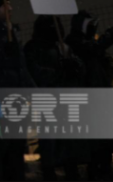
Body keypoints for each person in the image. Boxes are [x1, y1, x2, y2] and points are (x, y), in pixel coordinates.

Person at [24, 15, 87, 181]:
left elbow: (79, 69)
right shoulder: (34, 47)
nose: (56, 29)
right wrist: (59, 70)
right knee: (49, 137)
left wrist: (74, 67)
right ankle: (49, 171)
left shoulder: (64, 47)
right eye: (53, 26)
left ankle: (70, 169)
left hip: (66, 96)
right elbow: (34, 71)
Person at [0, 0, 35, 181]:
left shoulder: (11, 30)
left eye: (10, 4)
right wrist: (4, 53)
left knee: (17, 146)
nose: (11, 8)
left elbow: (21, 65)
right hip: (0, 97)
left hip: (17, 96)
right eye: (6, 5)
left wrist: (30, 88)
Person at [66, 11, 113, 181]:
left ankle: (104, 171)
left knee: (105, 139)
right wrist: (105, 40)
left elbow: (98, 56)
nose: (92, 27)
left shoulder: (89, 43)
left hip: (101, 96)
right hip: (87, 98)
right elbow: (90, 51)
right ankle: (95, 172)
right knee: (95, 141)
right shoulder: (74, 42)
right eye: (90, 24)